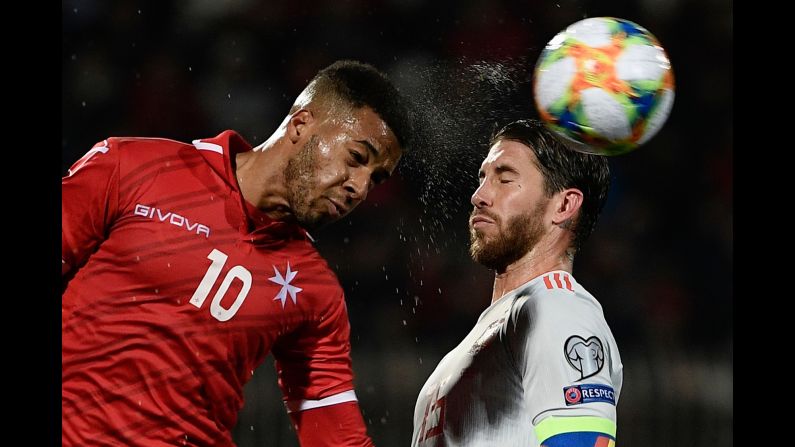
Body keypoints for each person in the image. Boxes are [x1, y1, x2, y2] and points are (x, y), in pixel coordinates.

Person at [62, 60, 413, 447]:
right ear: (300, 125)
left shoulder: (315, 290)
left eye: (375, 179)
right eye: (356, 158)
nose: (360, 189)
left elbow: (334, 433)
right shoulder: (133, 167)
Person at [411, 119, 623, 447]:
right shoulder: (490, 332)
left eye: (505, 178)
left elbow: (584, 441)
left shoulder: (556, 310)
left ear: (564, 205)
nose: (479, 196)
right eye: (482, 178)